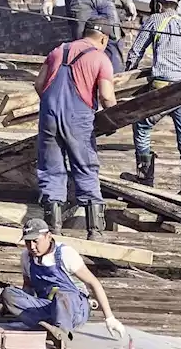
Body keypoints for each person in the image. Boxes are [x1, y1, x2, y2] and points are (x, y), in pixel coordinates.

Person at [34, 22, 118, 239]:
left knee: (51, 169)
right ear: (103, 39)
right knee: (85, 167)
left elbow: (39, 84)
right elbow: (107, 96)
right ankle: (95, 231)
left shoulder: (57, 51)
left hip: (48, 115)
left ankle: (53, 229)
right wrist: (114, 118)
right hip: (78, 117)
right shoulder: (100, 58)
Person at [124, 0, 181, 200]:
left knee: (141, 125)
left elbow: (135, 52)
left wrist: (125, 77)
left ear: (158, 4)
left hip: (163, 88)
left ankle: (144, 179)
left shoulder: (155, 20)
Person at [0, 218, 125, 339]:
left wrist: (109, 318)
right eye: (28, 242)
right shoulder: (26, 257)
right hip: (48, 305)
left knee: (60, 294)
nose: (32, 246)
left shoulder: (66, 254)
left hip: (74, 308)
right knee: (8, 293)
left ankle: (62, 332)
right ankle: (46, 325)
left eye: (35, 241)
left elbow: (94, 283)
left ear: (48, 236)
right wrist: (17, 305)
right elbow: (28, 285)